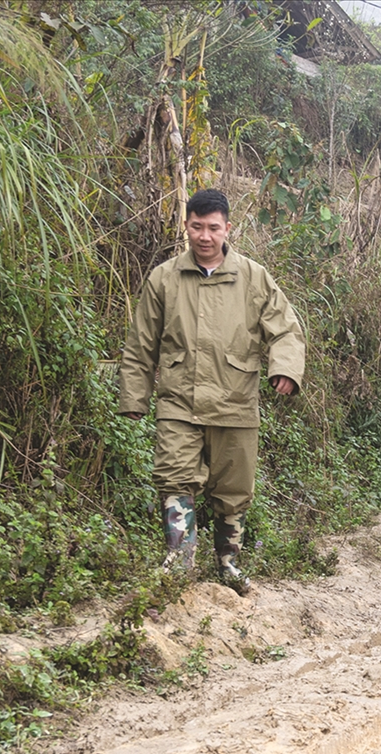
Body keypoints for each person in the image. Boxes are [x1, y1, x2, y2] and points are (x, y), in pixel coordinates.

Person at [118, 189, 305, 593]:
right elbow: (140, 344)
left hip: (235, 401)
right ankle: (180, 561)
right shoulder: (164, 278)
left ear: (227, 228)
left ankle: (228, 563)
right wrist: (134, 397)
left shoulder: (253, 277)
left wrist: (286, 369)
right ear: (186, 226)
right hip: (178, 402)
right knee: (174, 477)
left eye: (213, 228)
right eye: (197, 226)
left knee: (233, 488)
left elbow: (286, 329)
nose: (204, 236)